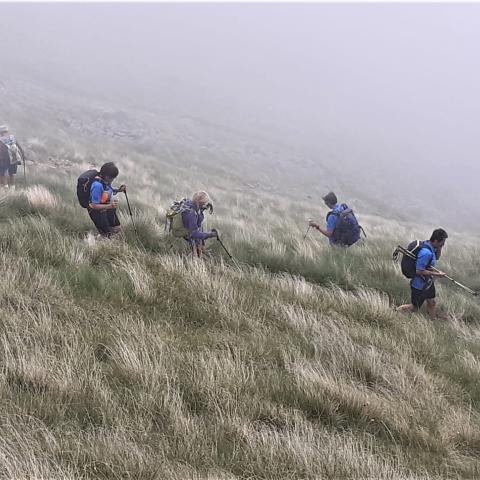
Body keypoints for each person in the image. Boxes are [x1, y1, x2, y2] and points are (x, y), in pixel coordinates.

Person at [396, 228, 448, 318]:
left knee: (432, 302)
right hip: (419, 285)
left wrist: (439, 248)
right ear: (436, 240)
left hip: (427, 282)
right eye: (442, 242)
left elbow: (436, 258)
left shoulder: (429, 246)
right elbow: (419, 271)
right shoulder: (426, 253)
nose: (443, 244)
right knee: (414, 307)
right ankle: (395, 311)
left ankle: (432, 321)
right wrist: (437, 274)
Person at [88, 162, 126, 238]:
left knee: (117, 229)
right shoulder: (97, 186)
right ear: (106, 176)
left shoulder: (105, 181)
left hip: (107, 209)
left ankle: (99, 239)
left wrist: (119, 190)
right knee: (106, 235)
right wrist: (110, 206)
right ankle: (92, 242)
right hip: (97, 212)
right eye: (112, 177)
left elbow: (108, 190)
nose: (113, 179)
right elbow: (93, 205)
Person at [181, 191, 218, 257]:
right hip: (188, 232)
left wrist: (202, 244)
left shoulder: (196, 208)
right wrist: (209, 235)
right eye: (205, 203)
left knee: (199, 246)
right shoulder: (191, 213)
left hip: (193, 230)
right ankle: (194, 260)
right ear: (199, 203)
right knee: (196, 255)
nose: (207, 205)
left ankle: (200, 251)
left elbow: (199, 225)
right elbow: (194, 233)